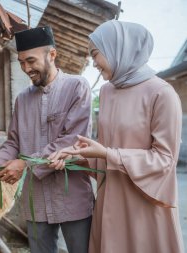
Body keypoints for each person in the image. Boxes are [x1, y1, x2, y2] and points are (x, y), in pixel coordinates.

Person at [49, 20, 185, 253]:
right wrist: (76, 157)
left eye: (95, 54)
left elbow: (164, 160)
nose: (93, 63)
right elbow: (106, 152)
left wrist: (106, 154)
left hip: (144, 205)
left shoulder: (162, 93)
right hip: (108, 202)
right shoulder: (107, 91)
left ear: (118, 48)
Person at [0, 26, 94, 253]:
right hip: (35, 200)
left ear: (52, 55)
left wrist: (26, 163)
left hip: (72, 196)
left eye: (31, 61)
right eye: (21, 62)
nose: (26, 68)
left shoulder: (77, 87)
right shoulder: (23, 99)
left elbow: (73, 140)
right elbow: (13, 144)